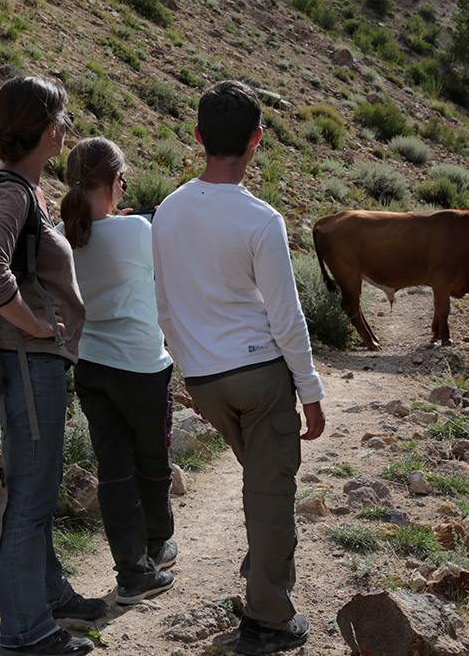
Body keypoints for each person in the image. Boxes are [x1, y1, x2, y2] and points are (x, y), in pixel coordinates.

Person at [151, 80, 326, 656]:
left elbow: (165, 305)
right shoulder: (262, 220)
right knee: (271, 494)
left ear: (199, 136)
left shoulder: (168, 211)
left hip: (205, 380)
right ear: (256, 140)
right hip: (261, 376)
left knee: (260, 483)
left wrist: (190, 371)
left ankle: (261, 572)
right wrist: (311, 390)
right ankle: (269, 617)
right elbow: (287, 317)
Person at [0, 76, 104, 656]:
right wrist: (33, 324)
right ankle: (25, 633)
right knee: (29, 493)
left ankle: (49, 596)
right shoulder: (12, 193)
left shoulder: (22, 188)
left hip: (31, 363)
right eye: (64, 122)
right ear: (51, 129)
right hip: (28, 362)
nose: (67, 131)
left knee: (37, 486)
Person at [57, 137, 178, 605]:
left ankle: (132, 574)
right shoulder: (136, 233)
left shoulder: (61, 234)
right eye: (122, 181)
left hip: (90, 366)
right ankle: (157, 544)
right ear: (112, 183)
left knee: (113, 470)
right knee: (151, 462)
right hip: (142, 366)